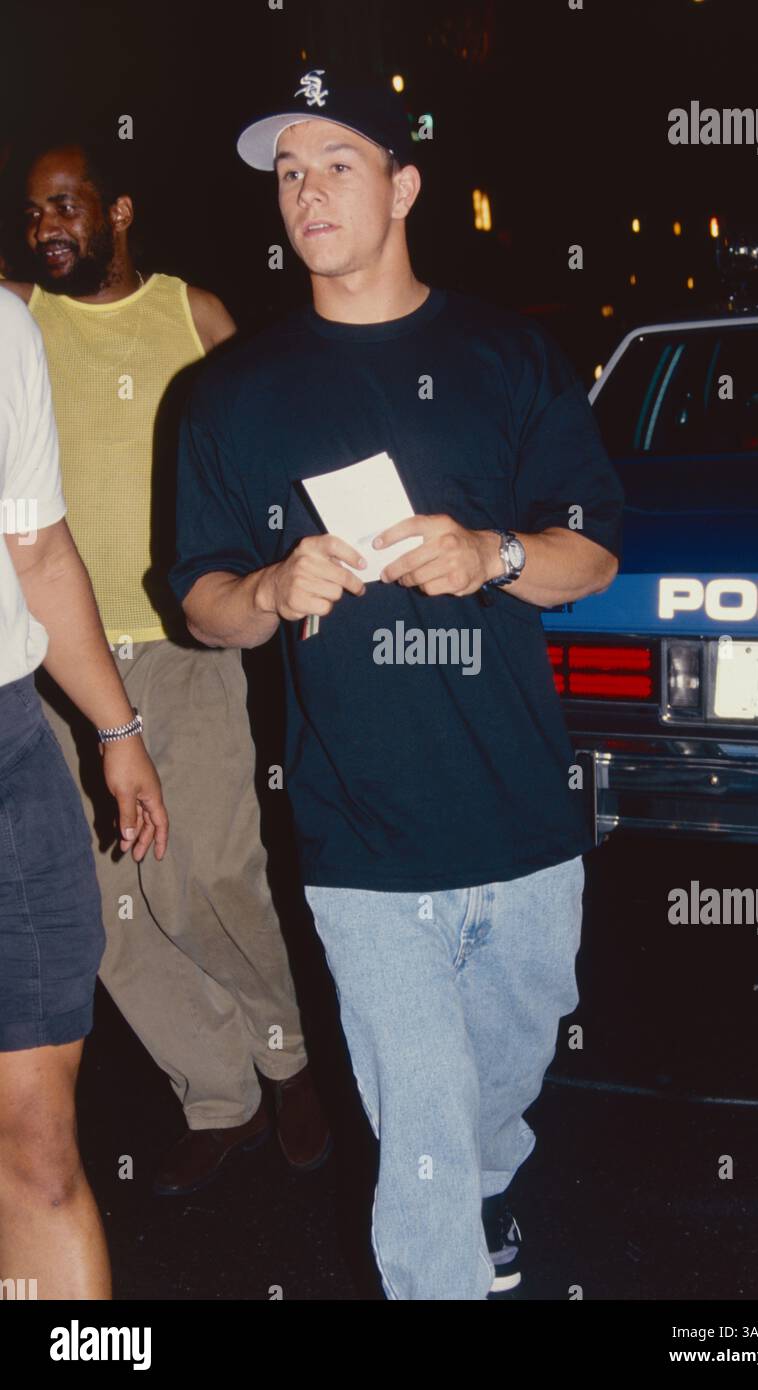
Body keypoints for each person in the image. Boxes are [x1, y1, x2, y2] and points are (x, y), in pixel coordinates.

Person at [171, 69, 624, 1298]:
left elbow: (591, 549)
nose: (306, 192)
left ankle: (485, 1185)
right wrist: (267, 589)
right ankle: (448, 1250)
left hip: (522, 816)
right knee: (417, 1135)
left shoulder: (508, 354)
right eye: (286, 173)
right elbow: (202, 603)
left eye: (336, 163)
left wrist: (495, 552)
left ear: (404, 184)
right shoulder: (227, 395)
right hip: (361, 838)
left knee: (495, 1089)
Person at [2, 137, 329, 1195]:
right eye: (34, 212)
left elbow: (277, 450)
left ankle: (285, 1057)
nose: (49, 226)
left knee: (209, 873)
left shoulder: (195, 317)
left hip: (182, 641)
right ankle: (217, 1091)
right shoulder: (19, 322)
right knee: (100, 913)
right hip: (59, 661)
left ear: (120, 210)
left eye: (68, 206)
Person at [0, 287, 168, 1298]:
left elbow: (37, 544)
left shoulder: (2, 330)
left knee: (40, 1147)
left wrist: (118, 729)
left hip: (9, 754)